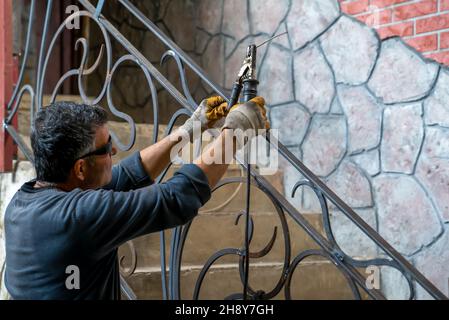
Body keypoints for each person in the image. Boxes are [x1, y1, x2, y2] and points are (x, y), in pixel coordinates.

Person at [2, 96, 269, 299]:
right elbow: (176, 197)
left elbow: (127, 176)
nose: (114, 149)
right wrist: (236, 130)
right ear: (80, 168)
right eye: (106, 148)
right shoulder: (77, 218)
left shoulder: (25, 201)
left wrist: (190, 129)